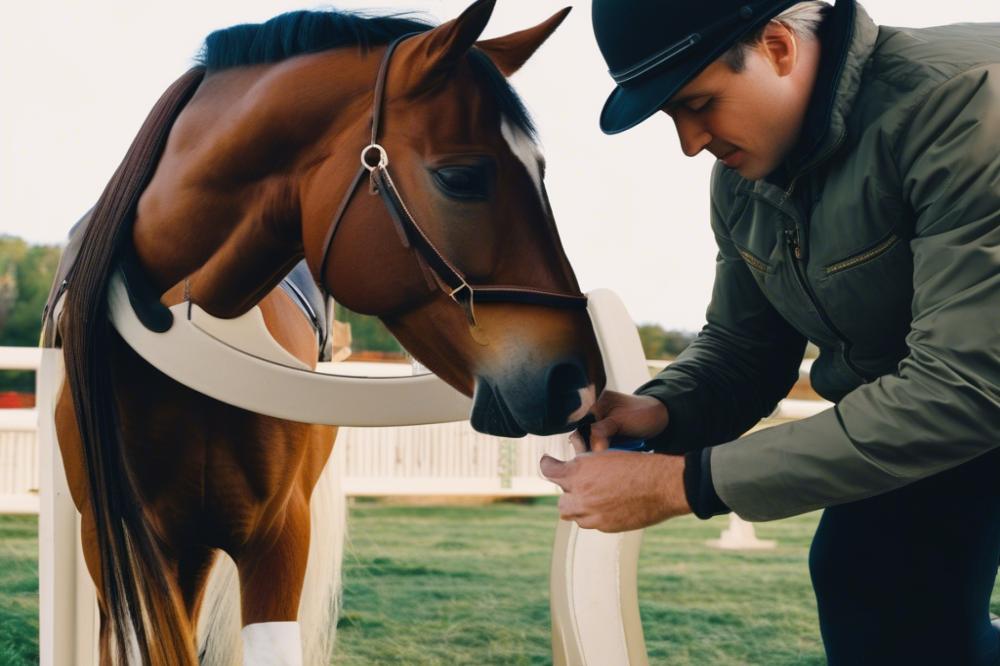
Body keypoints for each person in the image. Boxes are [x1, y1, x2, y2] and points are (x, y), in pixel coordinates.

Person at [539, 1, 1000, 662]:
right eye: (673, 117)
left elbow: (965, 387)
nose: (690, 142)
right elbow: (746, 346)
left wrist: (680, 485)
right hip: (951, 408)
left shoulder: (965, 106)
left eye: (700, 103)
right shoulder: (742, 179)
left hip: (968, 393)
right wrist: (661, 410)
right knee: (868, 581)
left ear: (779, 47)